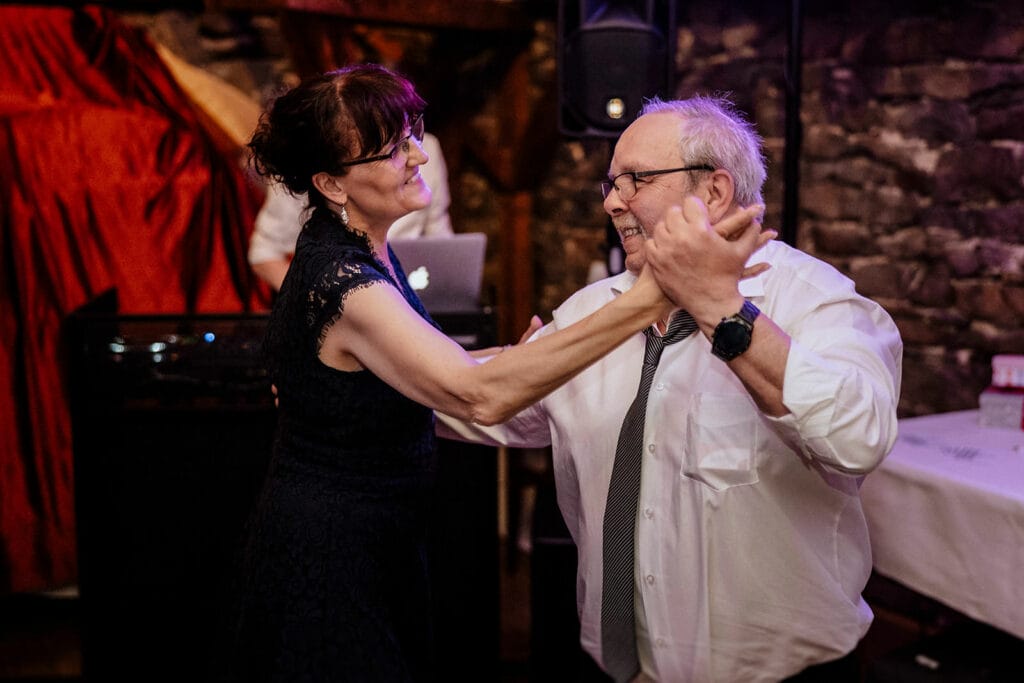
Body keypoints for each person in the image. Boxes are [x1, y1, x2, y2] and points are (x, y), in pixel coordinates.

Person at [222, 65, 769, 683]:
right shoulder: (343, 282)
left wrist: (513, 356)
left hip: (379, 538)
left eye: (412, 133)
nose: (416, 155)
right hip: (330, 549)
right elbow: (477, 395)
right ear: (331, 183)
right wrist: (660, 290)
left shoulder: (368, 248)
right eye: (390, 149)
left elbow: (429, 363)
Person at [439, 95, 903, 683]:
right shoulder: (589, 313)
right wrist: (357, 370)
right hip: (620, 669)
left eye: (635, 179)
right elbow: (480, 401)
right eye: (611, 184)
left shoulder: (818, 302)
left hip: (781, 675)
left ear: (714, 190)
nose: (612, 202)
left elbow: (858, 439)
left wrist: (721, 308)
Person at [247, 130, 453, 291]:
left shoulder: (429, 148)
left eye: (413, 133)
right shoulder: (353, 282)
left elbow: (440, 238)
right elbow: (263, 252)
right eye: (394, 150)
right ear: (331, 185)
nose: (421, 157)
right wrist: (314, 302)